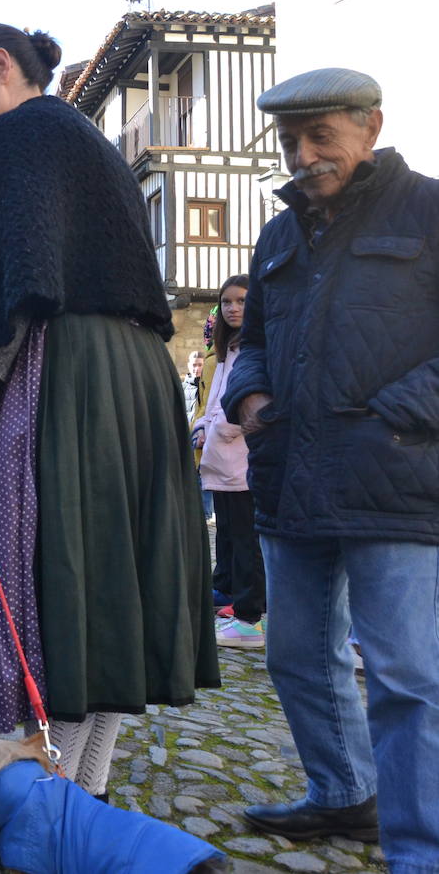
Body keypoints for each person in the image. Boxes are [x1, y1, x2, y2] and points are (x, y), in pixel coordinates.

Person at [0, 24, 217, 862]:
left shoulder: (18, 133)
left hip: (71, 372)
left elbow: (17, 274)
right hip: (138, 378)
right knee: (107, 601)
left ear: (2, 66)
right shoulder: (87, 139)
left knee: (58, 597)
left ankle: (53, 818)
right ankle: (75, 808)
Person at [222, 68, 439, 867]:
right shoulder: (278, 236)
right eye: (290, 141)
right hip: (293, 476)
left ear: (371, 127)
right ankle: (345, 793)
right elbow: (253, 346)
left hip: (397, 477)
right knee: (295, 655)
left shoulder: (429, 209)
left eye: (323, 137)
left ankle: (421, 851)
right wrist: (250, 404)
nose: (305, 156)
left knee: (407, 676)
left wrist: (393, 417)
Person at [191, 275, 266, 647]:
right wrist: (204, 425)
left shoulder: (259, 344)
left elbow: (248, 397)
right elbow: (215, 397)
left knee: (247, 533)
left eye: (242, 301)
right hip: (220, 455)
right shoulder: (224, 349)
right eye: (228, 302)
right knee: (228, 530)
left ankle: (250, 613)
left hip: (243, 454)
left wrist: (222, 427)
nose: (234, 308)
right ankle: (228, 590)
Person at [183, 350, 204, 419]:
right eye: (194, 365)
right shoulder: (182, 387)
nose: (197, 368)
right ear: (189, 365)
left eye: (200, 365)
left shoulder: (209, 386)